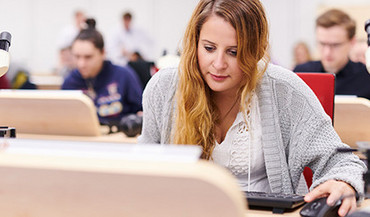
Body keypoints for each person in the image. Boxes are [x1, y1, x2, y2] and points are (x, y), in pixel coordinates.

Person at [138, 0, 366, 216]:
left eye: (234, 52)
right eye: (208, 48)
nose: (218, 64)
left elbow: (341, 161)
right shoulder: (164, 89)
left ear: (256, 50)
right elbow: (144, 169)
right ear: (194, 43)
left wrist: (342, 181)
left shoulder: (286, 91)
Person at [61, 18, 143, 125]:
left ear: (103, 53)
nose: (81, 64)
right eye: (77, 57)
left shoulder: (124, 76)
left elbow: (141, 113)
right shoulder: (70, 82)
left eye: (88, 57)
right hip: (82, 139)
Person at [294, 9, 370, 100]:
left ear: (352, 42)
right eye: (322, 44)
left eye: (335, 45)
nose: (327, 52)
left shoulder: (366, 77)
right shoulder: (301, 73)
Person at [55, 10, 86, 78]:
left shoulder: (85, 31)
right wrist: (60, 65)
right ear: (76, 17)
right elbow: (61, 50)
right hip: (69, 65)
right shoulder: (67, 31)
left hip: (79, 66)